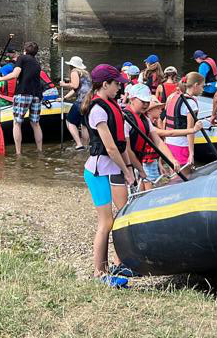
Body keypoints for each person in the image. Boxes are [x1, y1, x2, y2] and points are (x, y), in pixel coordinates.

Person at [81, 64, 136, 288]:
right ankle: (100, 272)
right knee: (106, 222)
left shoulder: (110, 105)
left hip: (110, 169)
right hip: (96, 172)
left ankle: (120, 261)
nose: (119, 88)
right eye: (116, 84)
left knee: (122, 216)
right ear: (105, 85)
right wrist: (127, 171)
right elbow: (111, 148)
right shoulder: (97, 110)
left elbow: (121, 145)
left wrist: (132, 167)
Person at [123, 84, 180, 189]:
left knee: (141, 191)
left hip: (137, 161)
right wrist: (140, 169)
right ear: (132, 99)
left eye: (147, 102)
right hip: (126, 165)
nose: (145, 105)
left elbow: (158, 141)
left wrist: (172, 159)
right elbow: (127, 149)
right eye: (142, 102)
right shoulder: (125, 119)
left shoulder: (145, 119)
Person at [0, 42, 44, 154]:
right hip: (37, 95)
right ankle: (40, 150)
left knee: (17, 123)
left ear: (25, 50)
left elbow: (15, 74)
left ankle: (18, 152)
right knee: (35, 123)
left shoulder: (22, 58)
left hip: (23, 93)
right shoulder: (37, 62)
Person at [162, 72, 206, 167]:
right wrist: (191, 154)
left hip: (169, 142)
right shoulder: (191, 103)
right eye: (202, 86)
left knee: (174, 176)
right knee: (184, 177)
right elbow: (190, 130)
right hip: (181, 144)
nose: (203, 89)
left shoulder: (172, 97)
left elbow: (165, 121)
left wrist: (165, 140)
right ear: (195, 85)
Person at [60, 56, 91, 150]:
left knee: (69, 121)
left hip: (80, 101)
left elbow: (74, 85)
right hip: (89, 101)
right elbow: (76, 89)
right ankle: (86, 145)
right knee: (84, 125)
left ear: (71, 65)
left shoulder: (74, 72)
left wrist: (63, 84)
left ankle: (79, 144)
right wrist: (64, 97)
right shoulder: (86, 74)